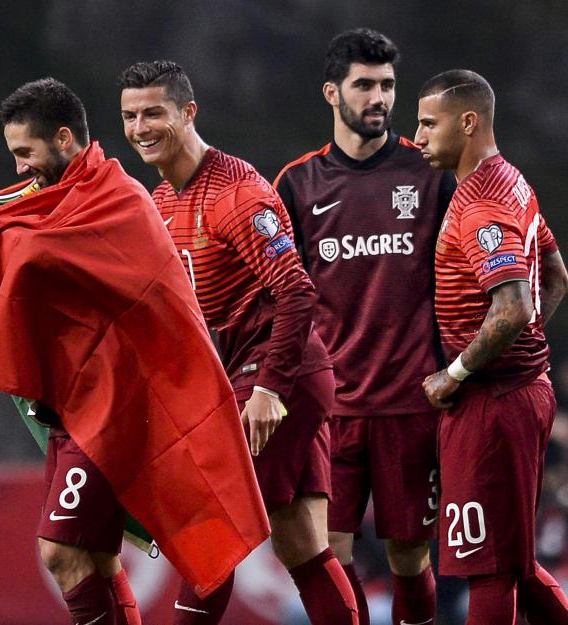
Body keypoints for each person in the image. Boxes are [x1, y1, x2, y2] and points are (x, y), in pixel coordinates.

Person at [0, 77, 270, 625]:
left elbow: (35, 256)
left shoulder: (119, 197)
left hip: (118, 411)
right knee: (95, 554)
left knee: (61, 551)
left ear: (65, 138)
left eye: (26, 153)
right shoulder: (53, 201)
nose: (20, 168)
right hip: (75, 409)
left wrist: (6, 231)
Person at [119, 61, 358, 625]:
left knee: (212, 535)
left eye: (154, 113)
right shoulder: (160, 201)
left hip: (279, 378)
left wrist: (270, 390)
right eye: (129, 116)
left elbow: (298, 291)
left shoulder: (237, 193)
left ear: (188, 113)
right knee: (300, 542)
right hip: (252, 381)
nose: (140, 127)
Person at [273, 29, 456, 625]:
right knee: (334, 552)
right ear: (332, 92)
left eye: (387, 85)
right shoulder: (297, 185)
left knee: (408, 556)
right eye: (364, 85)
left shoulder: (429, 174)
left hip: (411, 402)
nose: (378, 97)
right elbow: (280, 296)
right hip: (333, 408)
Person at [416, 69, 568, 625]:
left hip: (493, 404)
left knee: (487, 566)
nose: (420, 134)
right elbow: (555, 276)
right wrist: (523, 352)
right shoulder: (512, 181)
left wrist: (455, 372)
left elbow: (513, 309)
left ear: (468, 121)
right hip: (521, 391)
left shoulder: (479, 201)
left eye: (430, 123)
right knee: (515, 561)